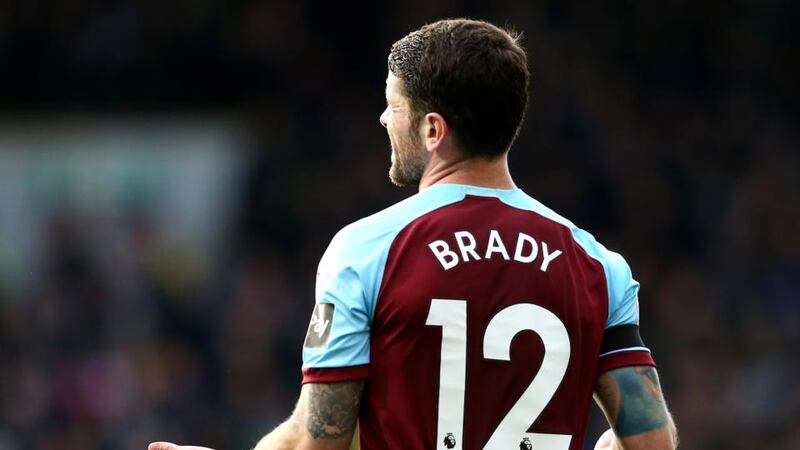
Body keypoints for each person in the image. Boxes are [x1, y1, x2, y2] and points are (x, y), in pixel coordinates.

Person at [149, 18, 678, 450]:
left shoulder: (367, 250)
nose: (383, 118)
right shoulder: (596, 264)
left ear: (431, 129)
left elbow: (318, 443)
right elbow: (651, 442)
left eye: (393, 104)